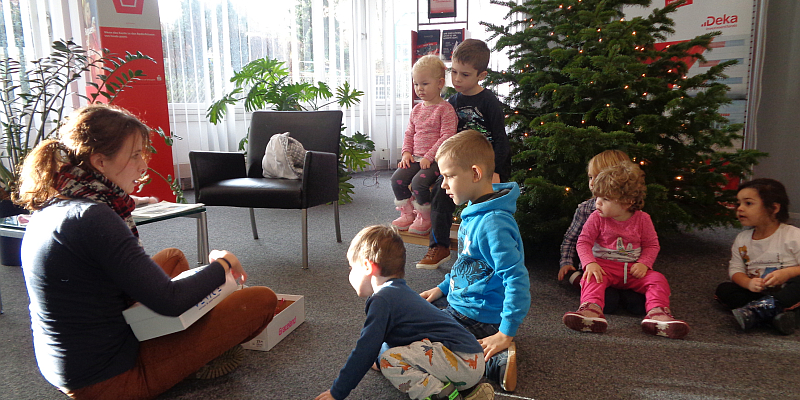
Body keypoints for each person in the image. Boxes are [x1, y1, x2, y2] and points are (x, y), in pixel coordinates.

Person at [15, 104, 278, 400]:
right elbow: (170, 301)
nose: (143, 165)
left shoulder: (61, 202)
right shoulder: (96, 217)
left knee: (172, 257)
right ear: (100, 161)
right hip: (108, 379)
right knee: (259, 300)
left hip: (68, 361)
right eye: (135, 155)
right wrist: (222, 265)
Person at [316, 225, 494, 400]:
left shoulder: (382, 300)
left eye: (351, 268)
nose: (350, 274)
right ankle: (465, 390)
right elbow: (389, 340)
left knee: (389, 360)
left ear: (367, 267)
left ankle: (444, 397)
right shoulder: (399, 292)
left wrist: (336, 392)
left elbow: (365, 349)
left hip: (462, 362)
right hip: (470, 359)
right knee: (387, 353)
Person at [420, 130, 530, 393]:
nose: (443, 185)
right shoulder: (475, 210)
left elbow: (517, 279)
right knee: (414, 318)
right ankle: (482, 348)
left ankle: (493, 361)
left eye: (449, 176)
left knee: (419, 343)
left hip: (480, 314)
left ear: (475, 174)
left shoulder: (493, 223)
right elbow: (466, 264)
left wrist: (506, 331)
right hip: (465, 302)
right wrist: (443, 288)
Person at [562, 161, 690, 339]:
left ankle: (658, 314)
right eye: (597, 197)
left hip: (632, 270)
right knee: (592, 278)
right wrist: (589, 263)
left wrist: (644, 263)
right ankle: (590, 311)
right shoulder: (596, 217)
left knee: (658, 279)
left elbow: (652, 245)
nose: (597, 203)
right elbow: (583, 242)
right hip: (604, 268)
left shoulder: (643, 219)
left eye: (605, 199)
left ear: (627, 202)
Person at [416, 38, 511, 270]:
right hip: (457, 165)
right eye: (454, 72)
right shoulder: (451, 102)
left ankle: (489, 251)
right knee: (440, 191)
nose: (457, 79)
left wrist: (496, 171)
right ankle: (439, 245)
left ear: (481, 75)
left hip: (485, 167)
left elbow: (500, 138)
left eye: (465, 75)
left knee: (487, 204)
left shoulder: (489, 102)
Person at [557, 150, 646, 315]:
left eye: (597, 178)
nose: (592, 183)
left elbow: (645, 243)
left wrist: (642, 265)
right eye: (590, 177)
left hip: (625, 270)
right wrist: (566, 262)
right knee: (608, 303)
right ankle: (576, 278)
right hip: (597, 267)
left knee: (638, 305)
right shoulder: (586, 209)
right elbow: (572, 239)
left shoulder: (633, 211)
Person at [714, 178, 800, 334]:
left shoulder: (793, 236)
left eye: (748, 203)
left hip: (788, 292)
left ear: (773, 208)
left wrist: (786, 273)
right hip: (761, 293)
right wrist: (748, 283)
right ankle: (775, 316)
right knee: (724, 290)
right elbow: (735, 270)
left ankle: (763, 311)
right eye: (738, 203)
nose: (740, 208)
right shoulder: (742, 239)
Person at [392, 54, 457, 235]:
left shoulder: (445, 109)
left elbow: (447, 136)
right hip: (415, 158)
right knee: (396, 180)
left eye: (424, 84)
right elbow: (409, 133)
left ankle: (425, 217)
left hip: (435, 159)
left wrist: (429, 156)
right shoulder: (417, 109)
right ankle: (407, 213)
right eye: (416, 84)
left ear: (439, 83)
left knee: (418, 183)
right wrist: (406, 153)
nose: (419, 89)